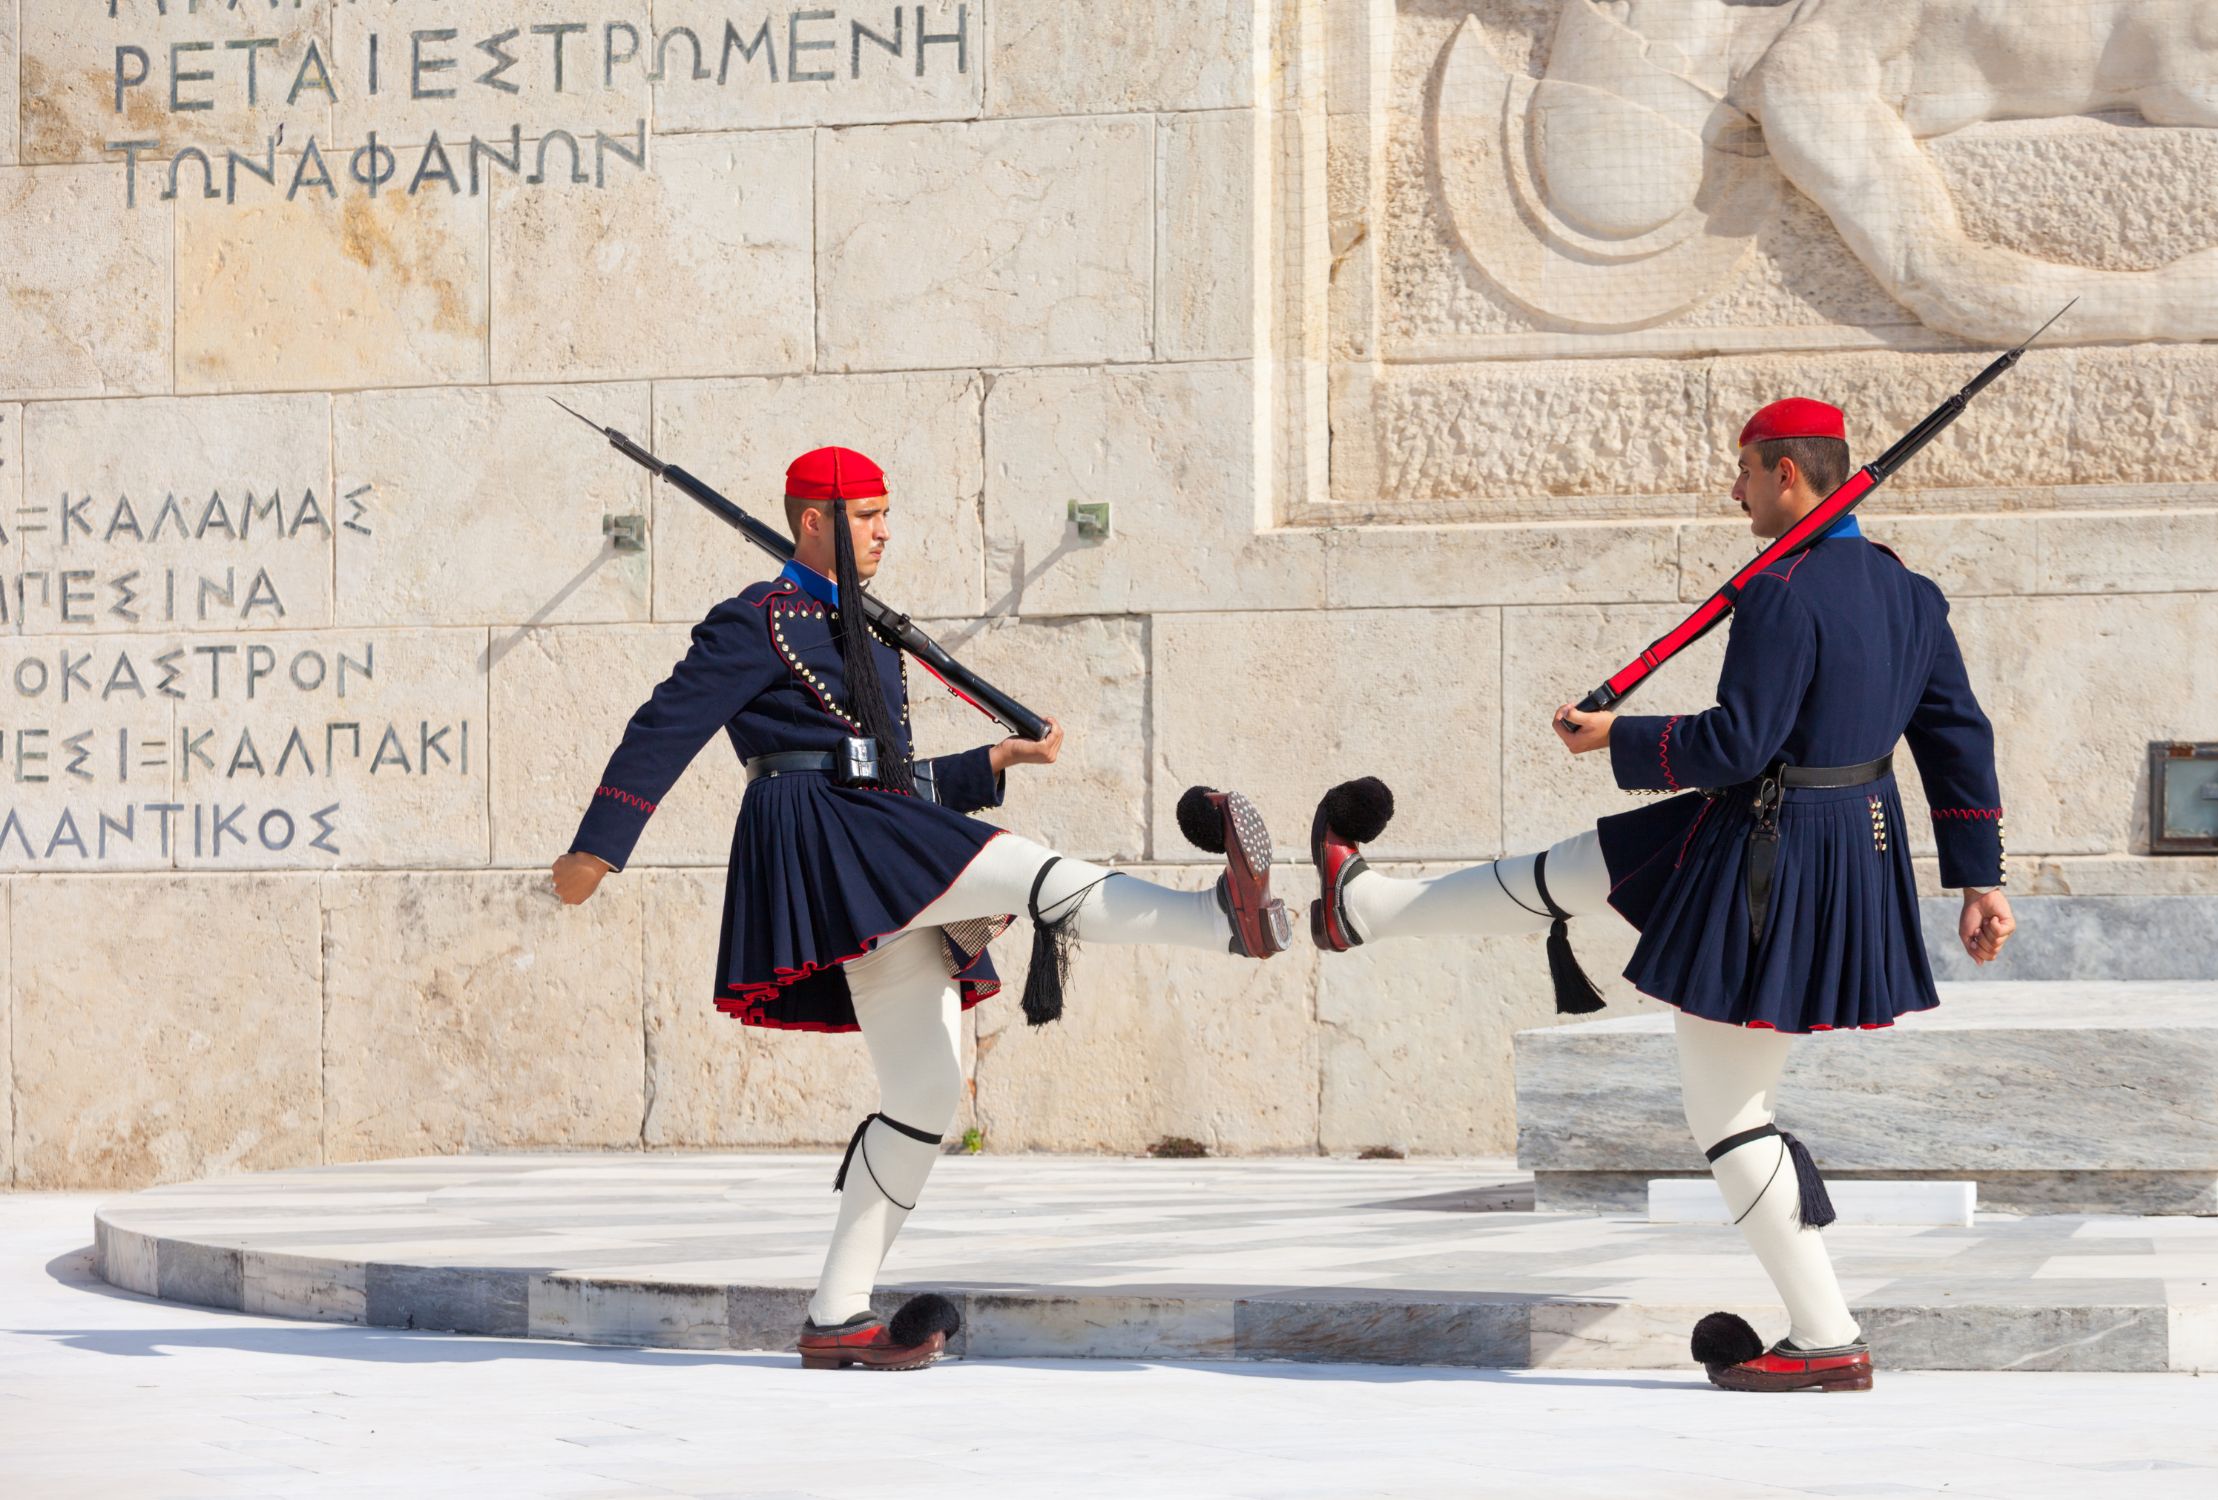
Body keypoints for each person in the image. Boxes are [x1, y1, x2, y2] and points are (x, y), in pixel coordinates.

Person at [1306, 398, 2014, 1392]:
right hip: (1841, 844)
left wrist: (1620, 739)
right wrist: (1980, 879)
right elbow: (1956, 738)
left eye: (1744, 471)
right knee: (1588, 864)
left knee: (1731, 1112)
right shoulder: (1911, 593)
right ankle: (1367, 907)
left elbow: (1738, 744)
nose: (1733, 491)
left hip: (1774, 851)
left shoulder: (1780, 591)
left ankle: (1825, 1338)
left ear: (1786, 473)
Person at [552, 444, 1293, 1371]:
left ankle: (836, 1317)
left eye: (885, 515)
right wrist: (599, 847)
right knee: (1024, 869)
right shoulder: (756, 620)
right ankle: (1219, 918)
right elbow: (665, 723)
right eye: (866, 517)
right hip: (821, 834)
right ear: (813, 522)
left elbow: (886, 772)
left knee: (926, 1091)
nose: (884, 532)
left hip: (871, 828)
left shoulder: (865, 630)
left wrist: (994, 763)